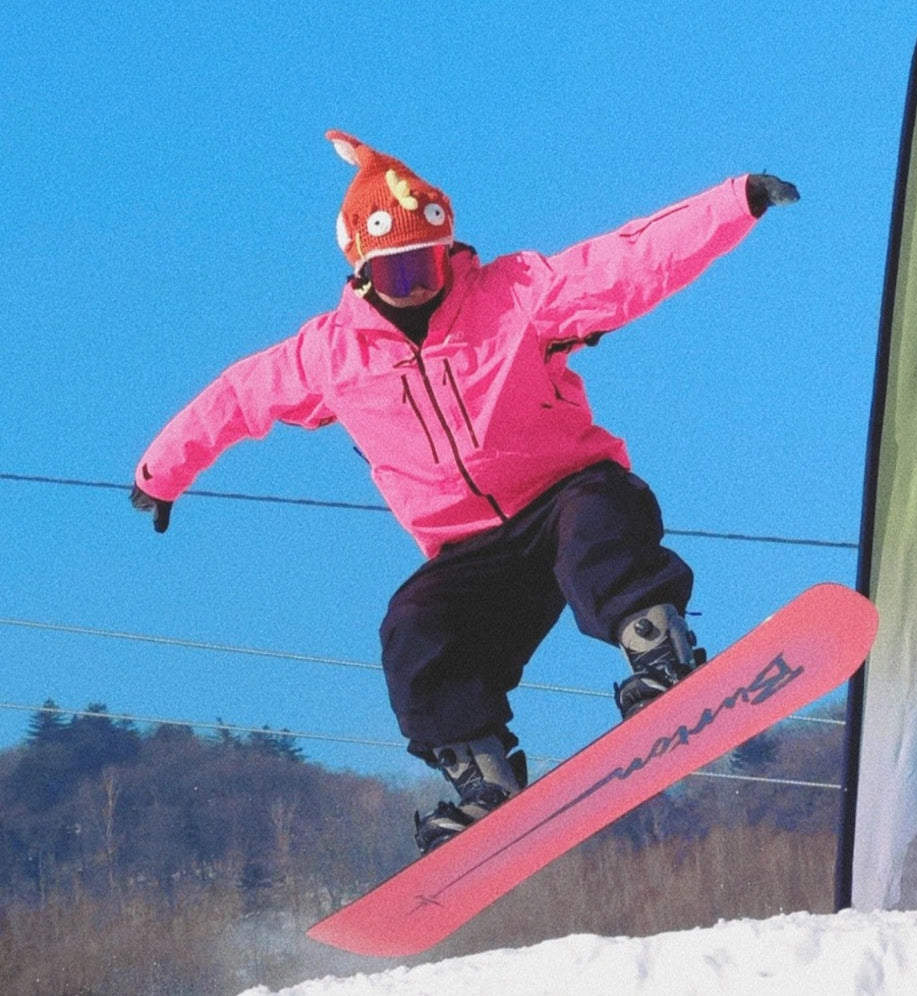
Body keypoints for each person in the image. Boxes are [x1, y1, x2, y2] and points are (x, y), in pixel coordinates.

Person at [131, 129, 799, 852]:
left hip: (565, 491)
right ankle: (483, 774)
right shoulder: (331, 355)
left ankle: (657, 651)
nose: (417, 286)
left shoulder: (515, 296)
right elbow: (237, 398)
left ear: (449, 252)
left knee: (597, 532)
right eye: (397, 274)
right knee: (415, 626)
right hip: (473, 553)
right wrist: (162, 473)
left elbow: (630, 262)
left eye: (426, 265)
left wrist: (737, 202)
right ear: (360, 271)